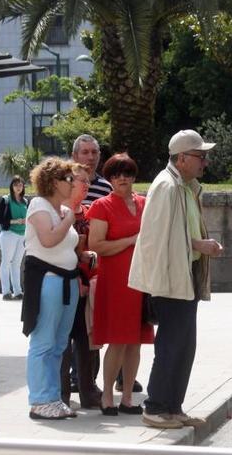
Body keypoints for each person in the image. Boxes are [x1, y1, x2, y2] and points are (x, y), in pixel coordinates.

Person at [128, 129, 223, 429]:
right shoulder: (167, 186)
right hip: (170, 280)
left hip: (184, 275)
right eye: (200, 156)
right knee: (171, 345)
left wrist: (198, 246)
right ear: (182, 158)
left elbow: (179, 233)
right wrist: (198, 245)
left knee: (184, 346)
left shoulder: (185, 185)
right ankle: (155, 407)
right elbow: (156, 240)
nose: (204, 162)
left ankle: (173, 407)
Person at [72, 134, 142, 395]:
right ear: (75, 156)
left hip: (118, 273)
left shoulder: (104, 185)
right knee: (89, 333)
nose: (90, 157)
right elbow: (95, 239)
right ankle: (85, 381)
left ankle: (120, 382)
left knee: (123, 335)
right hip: (88, 269)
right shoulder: (70, 183)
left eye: (94, 152)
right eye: (85, 152)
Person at [21, 157, 85, 420]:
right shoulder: (39, 205)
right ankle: (40, 400)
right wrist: (69, 218)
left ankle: (53, 397)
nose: (73, 184)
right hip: (48, 281)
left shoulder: (60, 210)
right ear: (54, 182)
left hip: (67, 281)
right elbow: (48, 240)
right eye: (69, 179)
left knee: (59, 344)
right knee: (44, 342)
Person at [87, 153, 150, 416]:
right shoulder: (102, 205)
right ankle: (107, 397)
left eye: (127, 173)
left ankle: (127, 398)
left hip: (141, 279)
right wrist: (130, 241)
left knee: (135, 341)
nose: (122, 178)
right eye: (115, 174)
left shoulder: (145, 202)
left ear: (134, 176)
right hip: (115, 282)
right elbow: (95, 245)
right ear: (109, 179)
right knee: (117, 340)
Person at [59, 163, 102, 409]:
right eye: (81, 182)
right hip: (67, 285)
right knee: (63, 342)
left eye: (88, 182)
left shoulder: (87, 212)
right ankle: (63, 393)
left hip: (88, 286)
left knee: (87, 341)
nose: (87, 186)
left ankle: (88, 389)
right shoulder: (59, 212)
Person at [0, 175, 28, 300]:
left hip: (22, 235)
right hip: (9, 234)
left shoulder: (25, 201)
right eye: (16, 185)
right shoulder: (6, 200)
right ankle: (6, 292)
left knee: (17, 263)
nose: (18, 187)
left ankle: (18, 291)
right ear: (12, 187)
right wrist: (15, 221)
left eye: (20, 185)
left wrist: (25, 221)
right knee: (6, 262)